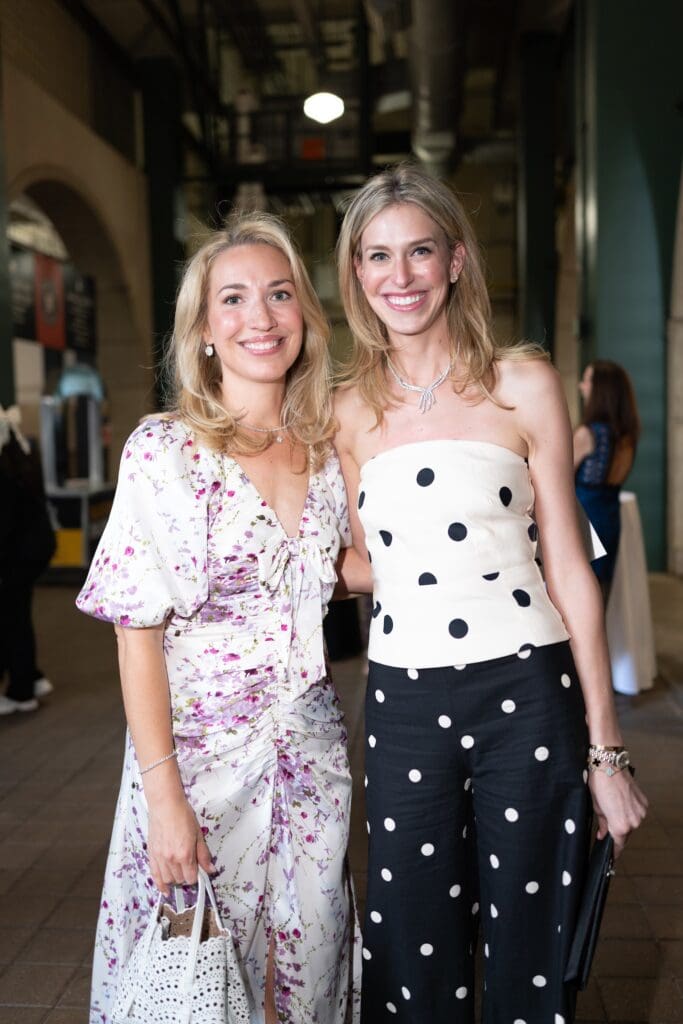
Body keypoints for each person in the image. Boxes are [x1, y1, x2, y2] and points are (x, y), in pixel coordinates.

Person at [333, 164, 647, 1024]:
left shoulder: (522, 384)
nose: (399, 275)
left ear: (456, 260)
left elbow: (568, 571)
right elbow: (359, 564)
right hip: (402, 698)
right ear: (356, 274)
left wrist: (606, 752)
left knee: (532, 944)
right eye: (377, 256)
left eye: (419, 251)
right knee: (410, 948)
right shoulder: (347, 412)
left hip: (527, 692)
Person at [76, 212, 361, 1024]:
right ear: (202, 330)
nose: (259, 317)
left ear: (305, 316)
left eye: (279, 294)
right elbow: (136, 634)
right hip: (196, 771)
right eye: (232, 299)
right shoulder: (165, 451)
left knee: (303, 983)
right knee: (191, 984)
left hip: (309, 765)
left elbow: (326, 573)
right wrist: (164, 802)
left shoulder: (325, 445)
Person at [0, 406, 56, 716]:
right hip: (32, 551)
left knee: (13, 620)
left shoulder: (4, 469)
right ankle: (32, 679)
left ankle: (22, 691)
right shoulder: (20, 457)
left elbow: (4, 527)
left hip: (18, 556)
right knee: (18, 616)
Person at [574, 360, 640, 602]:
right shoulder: (626, 436)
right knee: (599, 594)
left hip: (584, 521)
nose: (582, 386)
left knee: (579, 596)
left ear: (601, 389)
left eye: (587, 380)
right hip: (609, 521)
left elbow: (555, 476)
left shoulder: (587, 434)